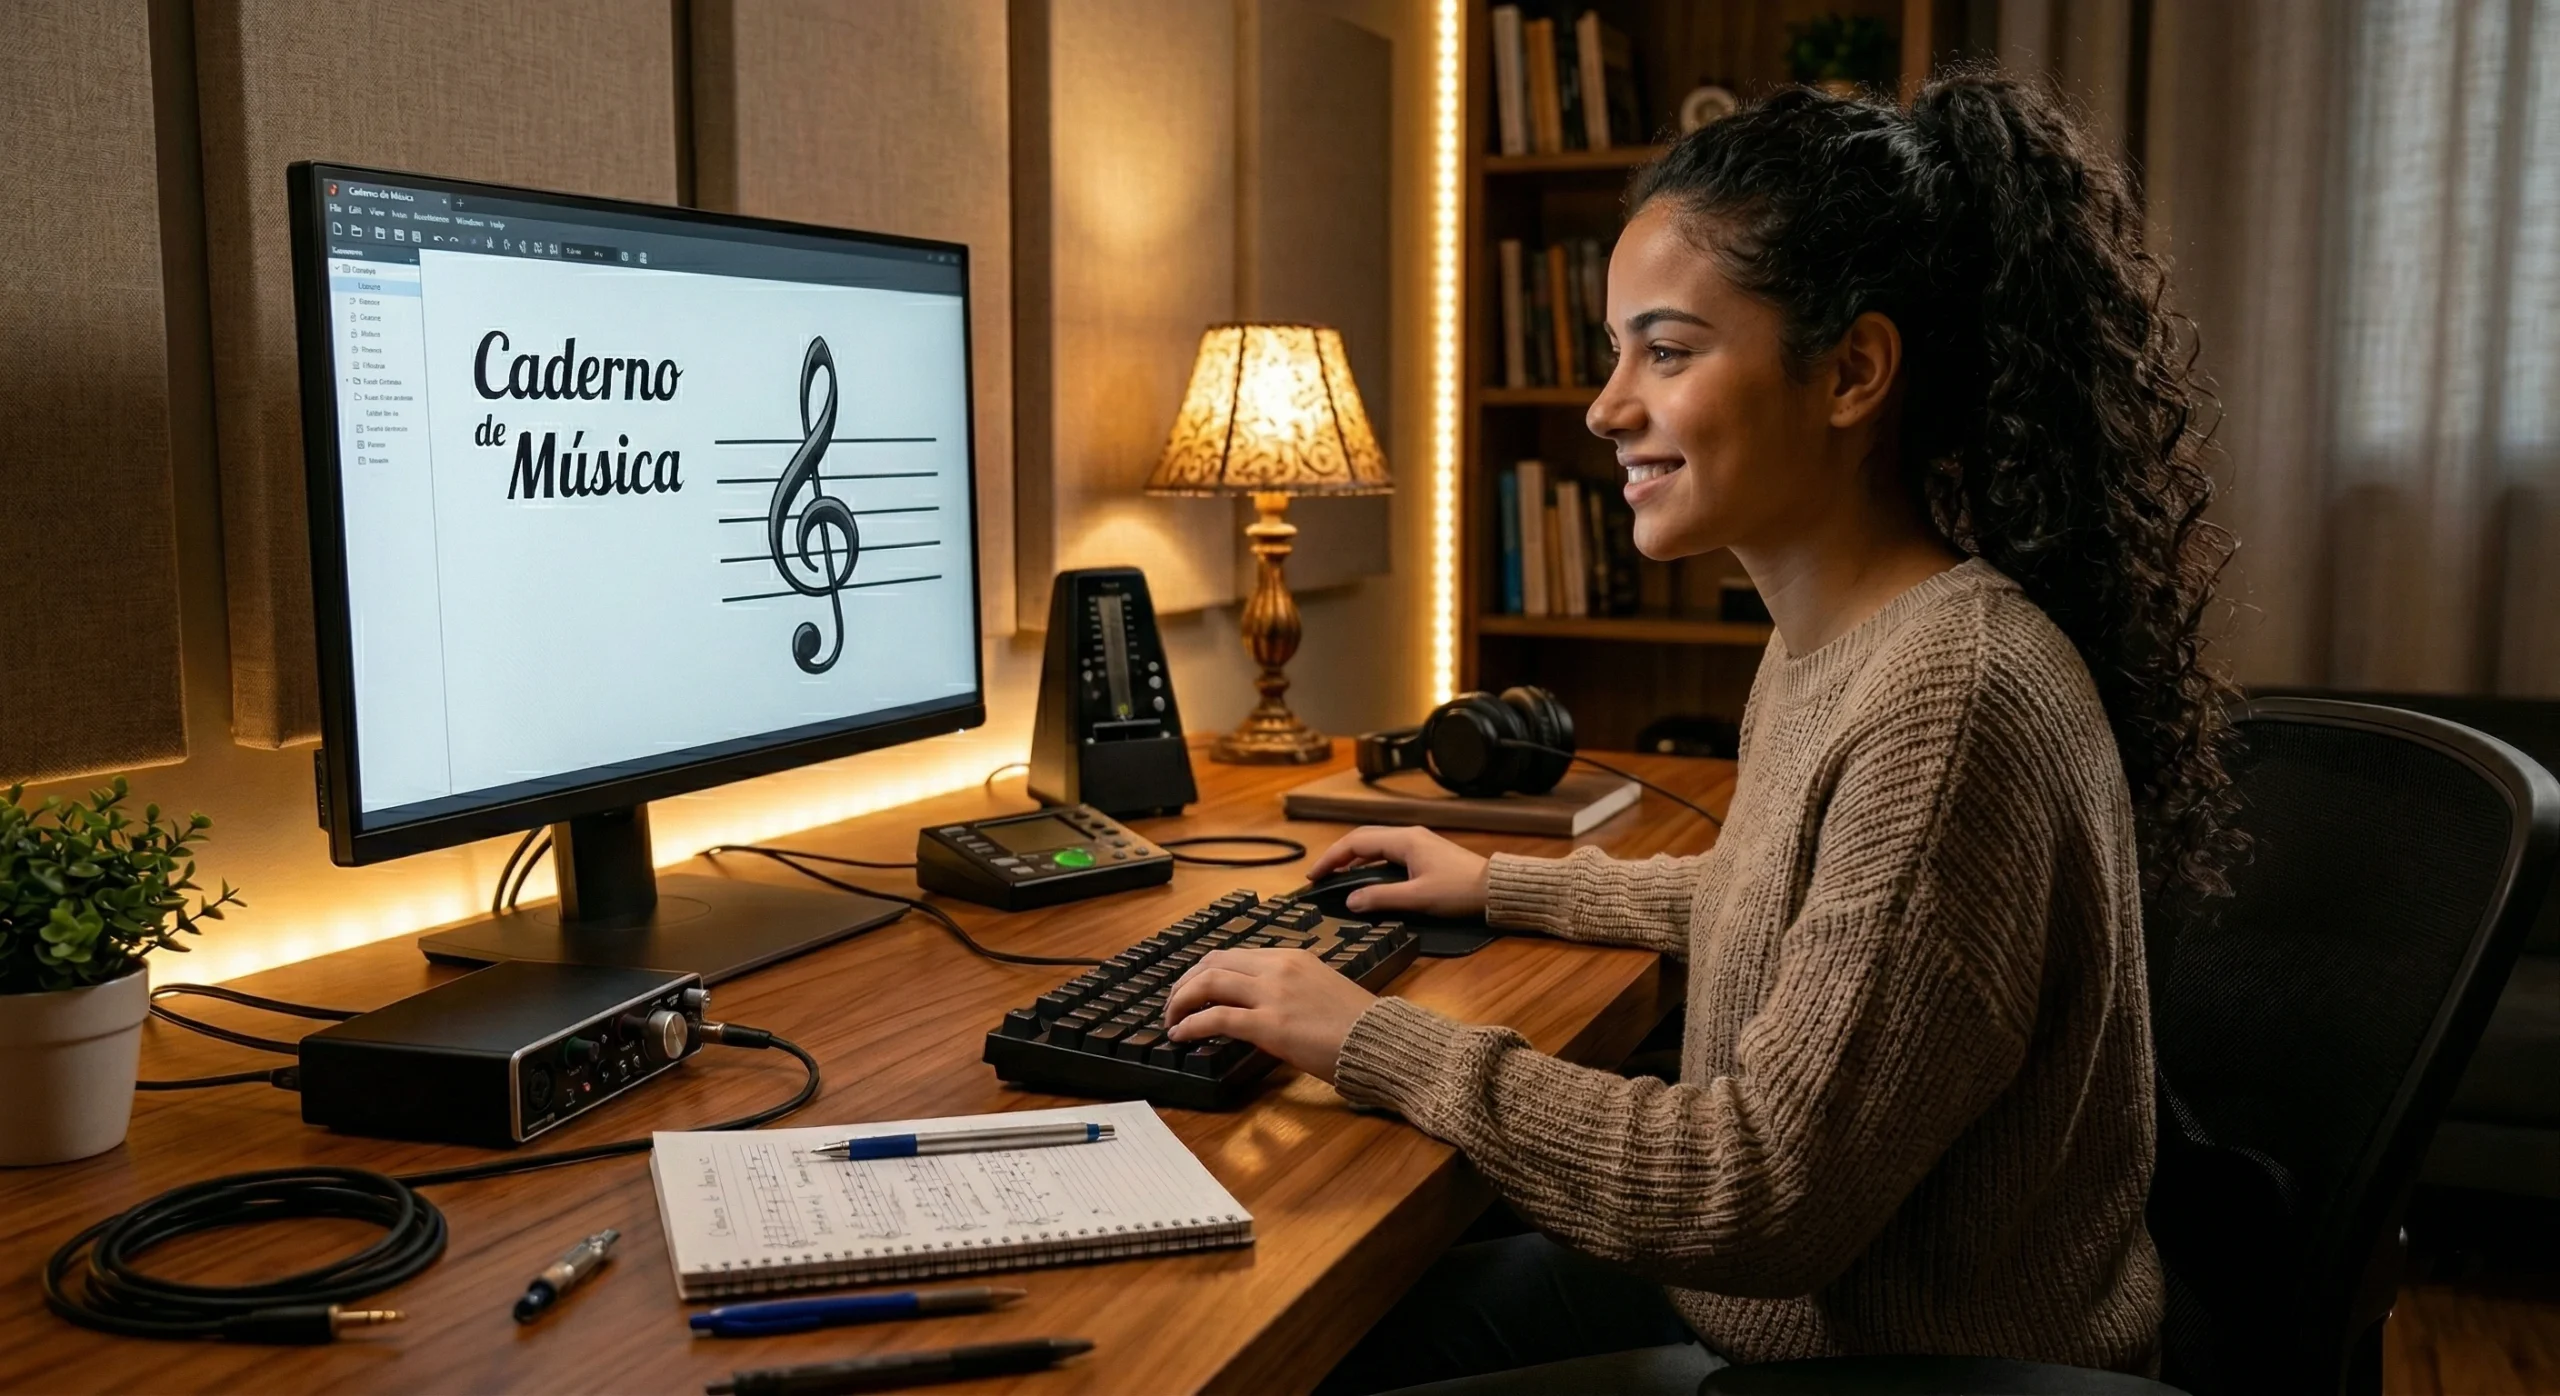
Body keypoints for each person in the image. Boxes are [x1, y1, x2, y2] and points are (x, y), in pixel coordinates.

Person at [1160, 70, 2243, 1391]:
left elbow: (1759, 1193)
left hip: (1904, 1361)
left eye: (1664, 353)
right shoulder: (1833, 639)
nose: (1606, 408)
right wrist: (1496, 881)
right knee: (1334, 1326)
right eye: (1618, 353)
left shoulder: (1952, 697)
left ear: (1852, 371)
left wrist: (1370, 1037)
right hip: (1796, 1317)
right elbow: (1781, 903)